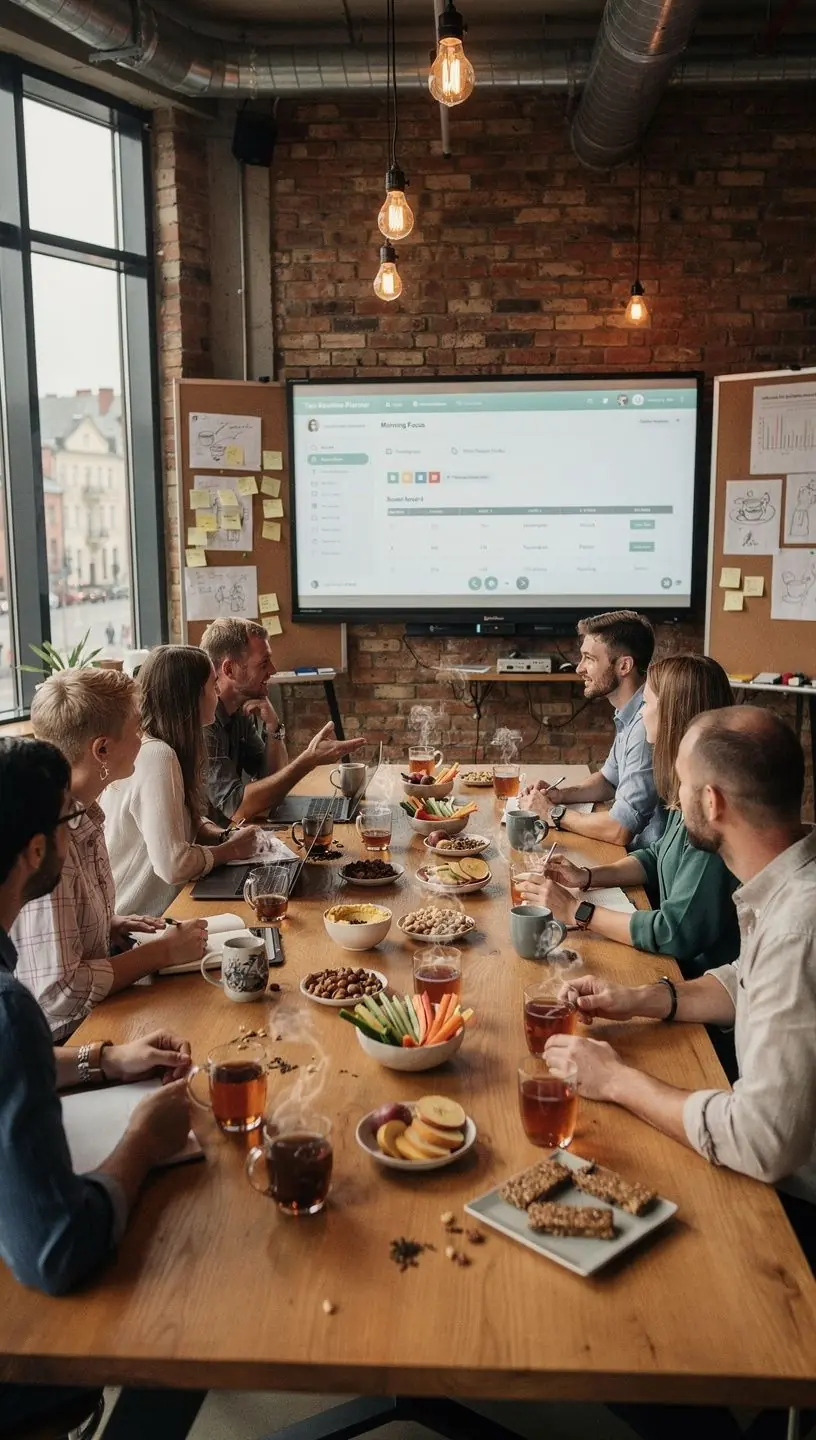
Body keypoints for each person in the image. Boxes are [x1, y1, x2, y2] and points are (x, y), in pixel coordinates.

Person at [545, 706, 816, 1271]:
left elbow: (760, 1141)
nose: (676, 797)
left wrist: (616, 1079)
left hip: (792, 1213)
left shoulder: (798, 928)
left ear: (712, 802)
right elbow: (746, 981)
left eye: (685, 783)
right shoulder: (790, 881)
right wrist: (643, 998)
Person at [0, 737, 193, 1429]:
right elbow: (56, 1252)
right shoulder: (8, 1009)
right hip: (21, 1343)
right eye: (63, 822)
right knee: (184, 1313)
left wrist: (102, 1061)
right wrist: (144, 1139)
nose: (76, 830)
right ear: (32, 852)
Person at [11, 669, 208, 1041]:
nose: (143, 738)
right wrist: (160, 954)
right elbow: (59, 994)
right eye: (136, 730)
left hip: (101, 1015)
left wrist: (107, 924)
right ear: (101, 750)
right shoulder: (52, 842)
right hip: (66, 1042)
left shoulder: (84, 811)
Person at [519, 654, 740, 979]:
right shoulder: (690, 787)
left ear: (673, 717)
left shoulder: (710, 809)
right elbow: (655, 857)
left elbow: (673, 932)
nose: (641, 713)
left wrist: (576, 910)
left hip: (691, 981)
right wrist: (587, 876)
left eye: (647, 703)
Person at [104, 645, 262, 916]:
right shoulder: (157, 755)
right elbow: (173, 866)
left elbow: (179, 819)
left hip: (158, 913)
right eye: (213, 686)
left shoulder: (160, 746)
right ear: (190, 696)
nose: (217, 694)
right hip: (137, 922)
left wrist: (222, 834)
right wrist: (231, 849)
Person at [519, 609, 664, 849]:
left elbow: (619, 830)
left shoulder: (643, 727)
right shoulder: (629, 712)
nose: (579, 668)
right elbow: (609, 780)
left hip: (643, 865)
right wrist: (561, 794)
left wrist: (554, 812)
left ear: (624, 665)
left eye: (590, 659)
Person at [200, 617, 366, 825]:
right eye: (263, 663)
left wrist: (274, 728)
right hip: (208, 849)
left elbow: (272, 783)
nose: (273, 670)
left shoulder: (240, 709)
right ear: (229, 670)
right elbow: (238, 807)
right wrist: (308, 761)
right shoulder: (203, 722)